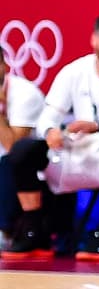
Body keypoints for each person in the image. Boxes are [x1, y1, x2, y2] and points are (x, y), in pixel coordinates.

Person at [3, 14, 99, 261]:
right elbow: (47, 116)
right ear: (94, 40)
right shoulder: (74, 71)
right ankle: (34, 231)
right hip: (81, 152)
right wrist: (50, 131)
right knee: (23, 150)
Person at [0, 59, 47, 244]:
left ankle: (4, 231)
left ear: (3, 65)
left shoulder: (24, 94)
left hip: (35, 167)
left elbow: (15, 148)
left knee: (7, 162)